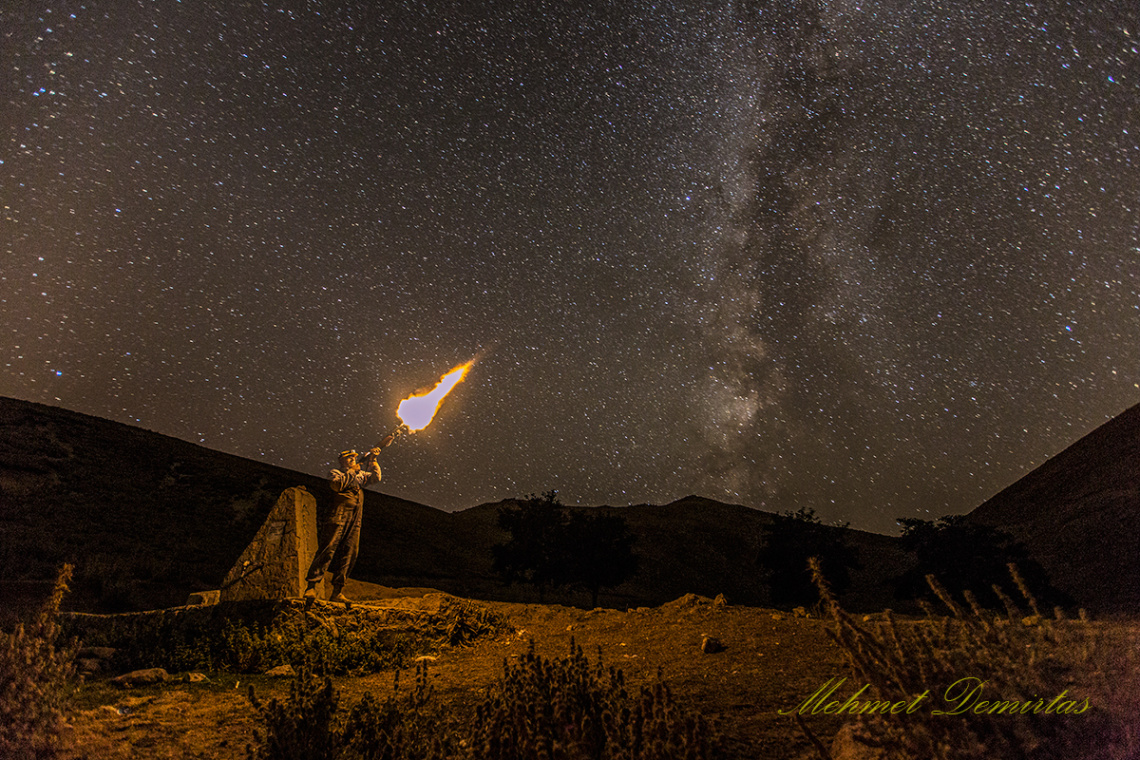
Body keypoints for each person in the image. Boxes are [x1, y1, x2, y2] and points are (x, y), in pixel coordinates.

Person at [303, 436, 393, 607]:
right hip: (338, 515)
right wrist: (352, 471)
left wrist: (373, 460)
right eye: (350, 458)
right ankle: (312, 586)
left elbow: (376, 478)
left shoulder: (360, 476)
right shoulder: (335, 473)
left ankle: (337, 592)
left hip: (355, 517)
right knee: (327, 549)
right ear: (343, 461)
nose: (353, 459)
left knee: (350, 552)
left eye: (354, 457)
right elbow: (337, 486)